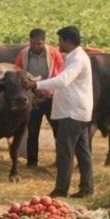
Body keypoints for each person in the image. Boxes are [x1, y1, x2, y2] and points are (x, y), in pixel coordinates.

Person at [22, 26, 94, 198]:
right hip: (78, 111)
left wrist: (36, 84)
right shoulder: (75, 56)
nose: (58, 44)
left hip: (72, 113)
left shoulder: (77, 58)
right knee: (82, 152)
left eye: (61, 40)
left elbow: (64, 80)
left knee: (65, 152)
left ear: (68, 42)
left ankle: (61, 190)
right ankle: (87, 188)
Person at [16, 28, 64, 168]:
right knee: (33, 130)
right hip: (33, 97)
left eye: (39, 43)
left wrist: (47, 89)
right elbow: (17, 70)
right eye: (33, 43)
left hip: (50, 97)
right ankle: (32, 162)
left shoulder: (54, 53)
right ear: (29, 41)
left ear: (44, 42)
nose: (36, 46)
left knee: (57, 129)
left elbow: (59, 74)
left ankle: (60, 160)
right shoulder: (24, 54)